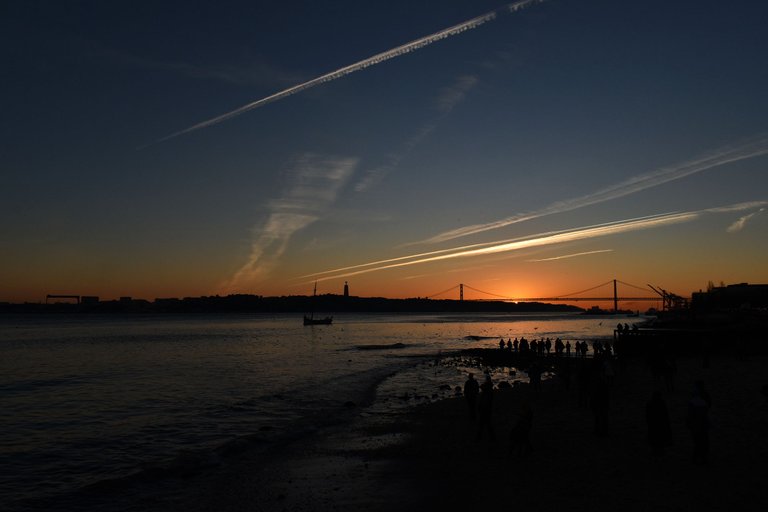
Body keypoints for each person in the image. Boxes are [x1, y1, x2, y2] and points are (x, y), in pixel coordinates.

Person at [686, 382, 711, 464]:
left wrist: (689, 424)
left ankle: (696, 458)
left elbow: (689, 415)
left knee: (697, 442)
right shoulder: (704, 403)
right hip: (702, 425)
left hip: (696, 426)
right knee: (703, 441)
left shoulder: (692, 403)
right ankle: (702, 458)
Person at [646, 391, 672, 455]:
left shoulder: (650, 403)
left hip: (654, 423)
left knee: (655, 436)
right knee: (660, 436)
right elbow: (666, 414)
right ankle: (660, 448)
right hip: (660, 423)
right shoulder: (662, 403)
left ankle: (656, 448)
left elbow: (647, 415)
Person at [476, 374, 495, 440]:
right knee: (486, 424)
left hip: (485, 409)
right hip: (486, 409)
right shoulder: (489, 389)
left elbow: (485, 402)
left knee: (483, 424)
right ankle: (491, 436)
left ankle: (480, 437)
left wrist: (480, 407)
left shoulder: (488, 391)